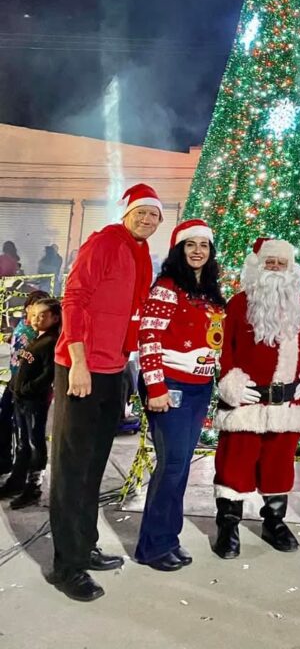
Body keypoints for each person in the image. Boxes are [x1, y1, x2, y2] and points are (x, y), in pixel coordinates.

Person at [47, 183, 163, 602]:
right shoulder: (104, 243)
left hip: (114, 368)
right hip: (83, 367)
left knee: (94, 465)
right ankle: (67, 567)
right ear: (126, 213)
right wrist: (78, 361)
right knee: (72, 468)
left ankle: (85, 545)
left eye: (154, 215)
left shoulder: (141, 252)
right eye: (141, 212)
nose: (147, 220)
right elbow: (74, 298)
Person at [212, 238, 300, 558]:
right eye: (269, 262)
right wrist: (230, 382)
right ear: (257, 267)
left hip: (286, 404)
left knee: (279, 466)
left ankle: (274, 521)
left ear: (291, 269)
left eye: (280, 263)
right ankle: (228, 524)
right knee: (234, 465)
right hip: (245, 403)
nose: (274, 268)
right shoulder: (238, 304)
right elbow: (224, 349)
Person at [134, 219, 226, 571]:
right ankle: (152, 546)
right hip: (170, 384)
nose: (198, 251)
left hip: (199, 388)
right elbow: (148, 336)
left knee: (181, 466)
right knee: (171, 466)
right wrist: (156, 387)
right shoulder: (167, 287)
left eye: (204, 245)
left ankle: (168, 539)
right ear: (179, 249)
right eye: (191, 244)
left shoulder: (210, 292)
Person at [0, 298, 61, 507]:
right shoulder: (36, 337)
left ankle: (33, 487)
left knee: (35, 443)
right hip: (21, 399)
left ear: (55, 318)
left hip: (34, 402)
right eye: (34, 315)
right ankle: (17, 481)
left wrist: (28, 389)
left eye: (42, 316)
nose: (36, 319)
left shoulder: (51, 342)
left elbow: (49, 373)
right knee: (23, 442)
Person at [0, 290, 48, 475]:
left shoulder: (42, 335)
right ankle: (6, 462)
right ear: (27, 308)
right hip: (15, 381)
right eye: (34, 310)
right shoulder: (23, 325)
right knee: (5, 420)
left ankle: (32, 475)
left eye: (41, 313)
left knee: (31, 433)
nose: (36, 316)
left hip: (29, 387)